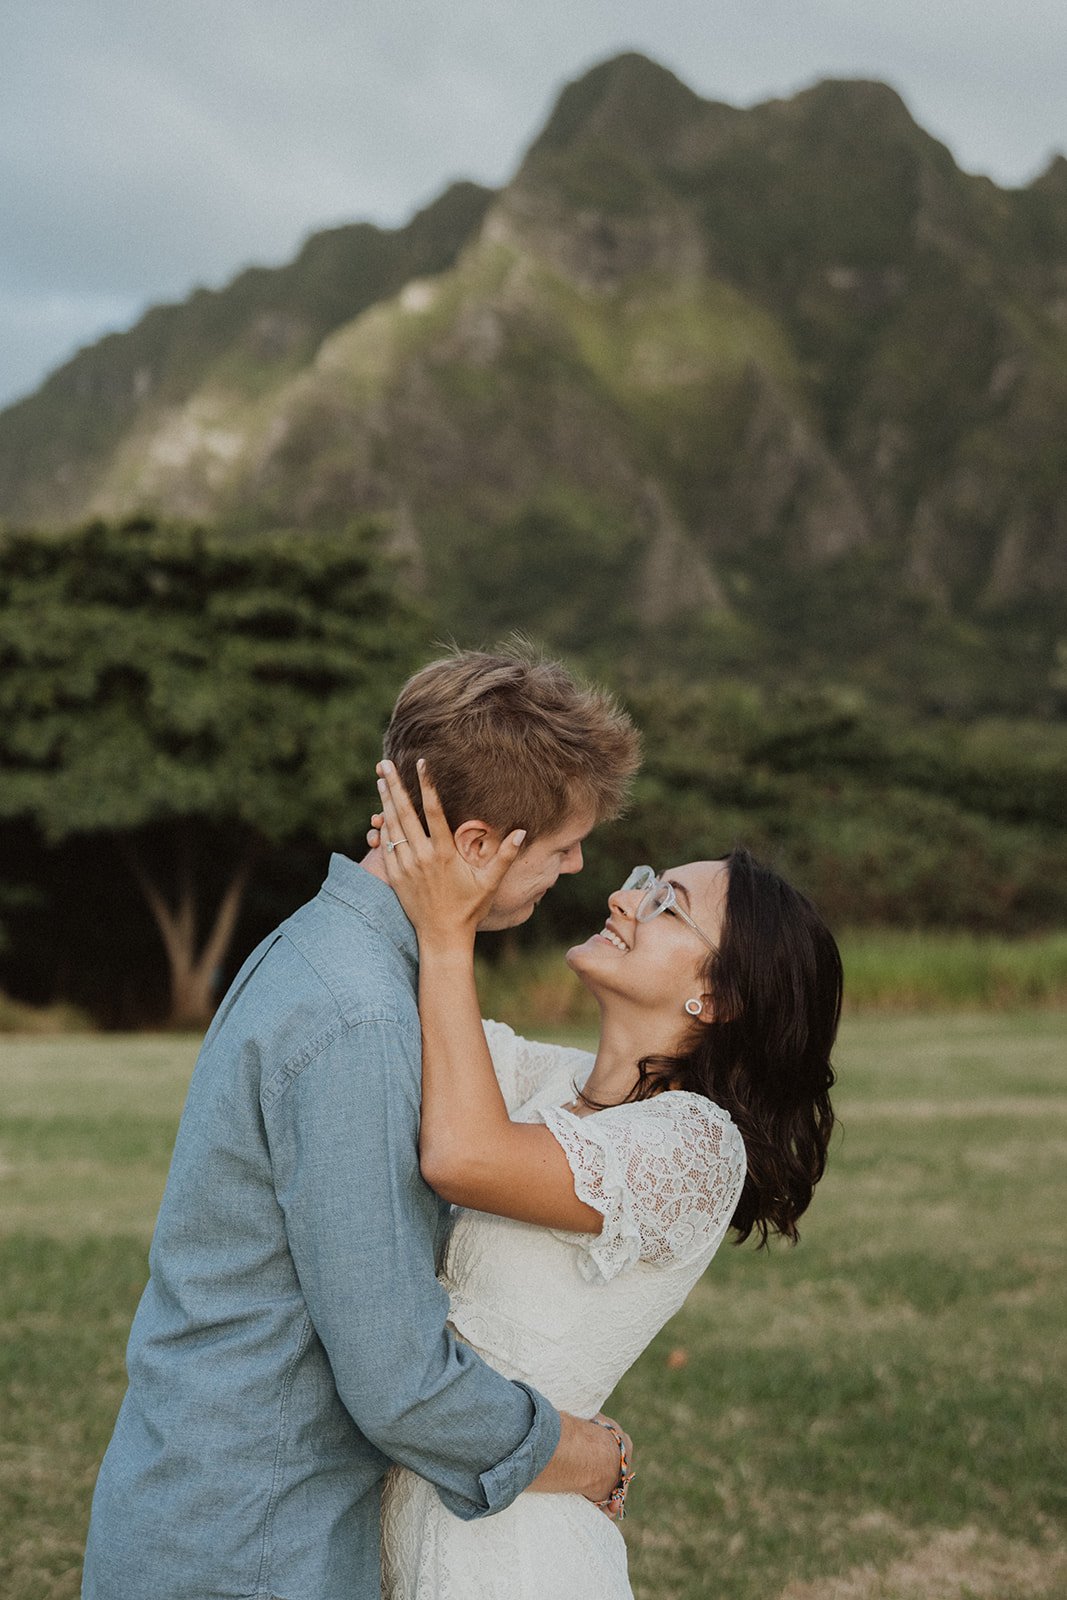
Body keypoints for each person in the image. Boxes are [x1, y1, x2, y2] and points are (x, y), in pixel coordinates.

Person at [82, 647, 641, 1600]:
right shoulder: (359, 1017)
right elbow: (399, 1380)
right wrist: (583, 1454)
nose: (579, 865)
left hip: (212, 1512)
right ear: (474, 845)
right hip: (251, 1547)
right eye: (559, 847)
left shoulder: (331, 953)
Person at [371, 760, 842, 1600]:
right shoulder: (547, 1083)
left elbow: (462, 1157)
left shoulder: (697, 1149)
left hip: (514, 1560)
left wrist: (451, 935)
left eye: (667, 907)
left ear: (716, 995)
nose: (624, 900)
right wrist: (417, 867)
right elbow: (405, 1020)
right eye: (641, 885)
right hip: (426, 1518)